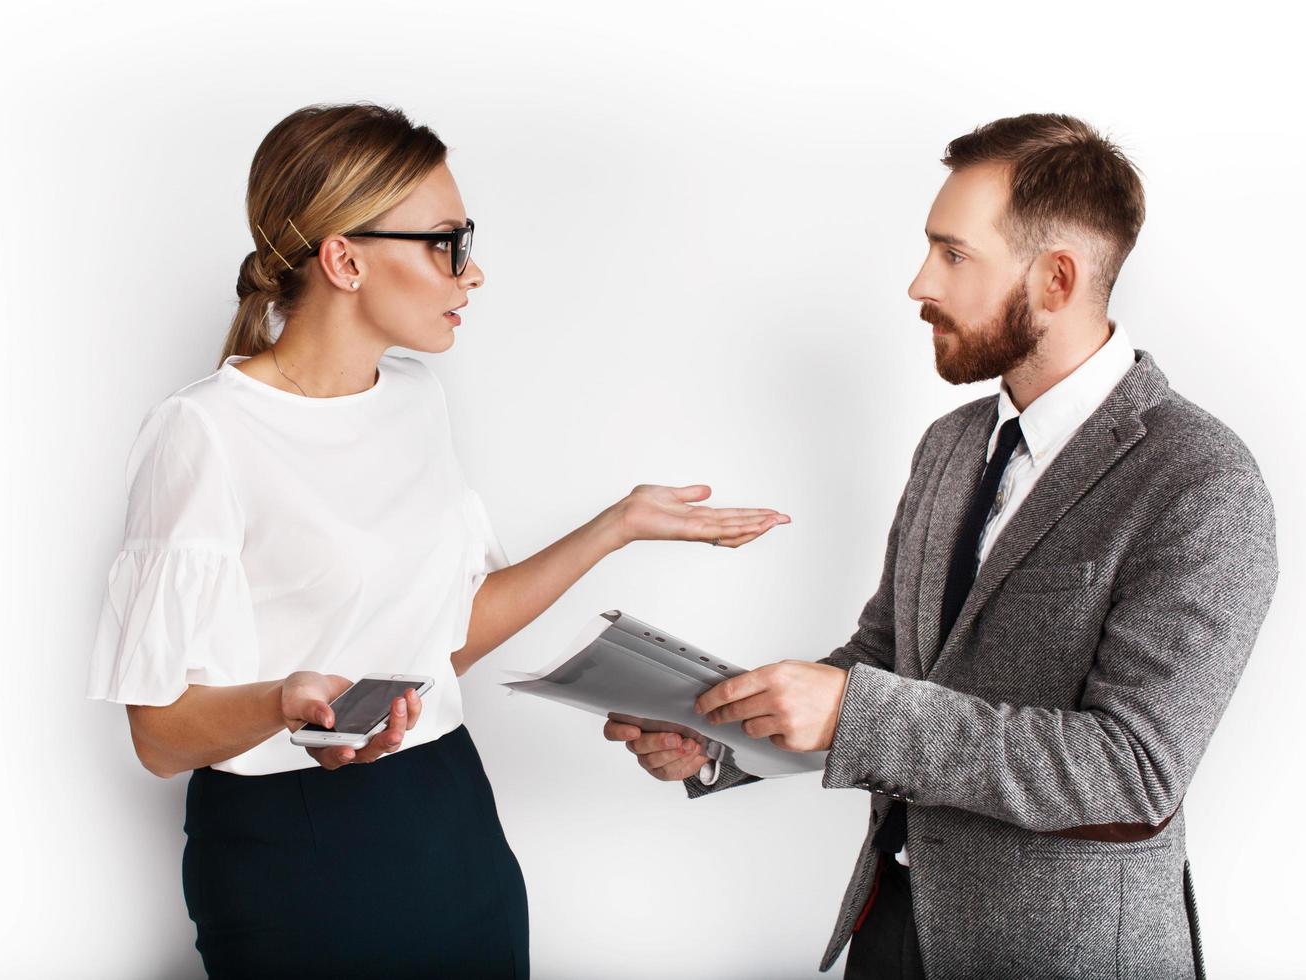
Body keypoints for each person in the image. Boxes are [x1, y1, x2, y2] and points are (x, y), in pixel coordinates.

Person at [86, 102, 791, 979]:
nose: (473, 271)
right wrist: (283, 702)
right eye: (445, 244)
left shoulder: (417, 399)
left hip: (450, 814)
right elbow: (156, 737)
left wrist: (617, 527)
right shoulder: (204, 431)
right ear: (344, 259)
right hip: (294, 851)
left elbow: (442, 640)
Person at [606, 113, 1278, 978]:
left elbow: (1133, 769)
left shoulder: (1200, 482)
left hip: (1058, 957)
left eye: (953, 255)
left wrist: (853, 714)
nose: (919, 282)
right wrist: (727, 733)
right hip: (892, 927)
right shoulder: (952, 444)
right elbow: (888, 658)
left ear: (1057, 277)